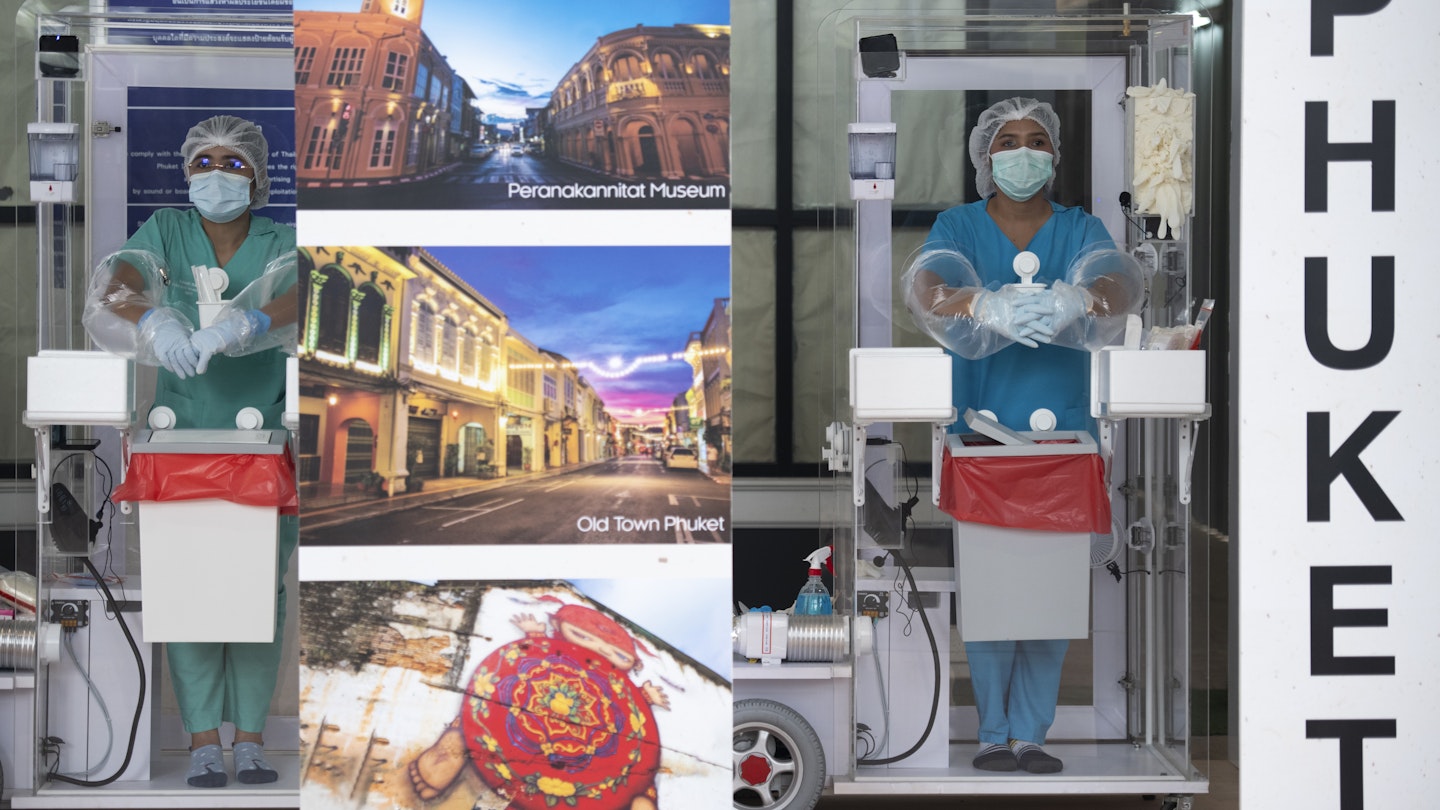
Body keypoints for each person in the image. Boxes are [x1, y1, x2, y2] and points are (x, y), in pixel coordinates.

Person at [903, 98, 1143, 774]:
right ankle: (991, 732)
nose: (1022, 152)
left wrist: (1078, 297)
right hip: (980, 428)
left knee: (1048, 588)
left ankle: (1031, 733)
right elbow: (924, 286)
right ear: (986, 157)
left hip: (1065, 431)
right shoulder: (959, 226)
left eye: (1036, 140)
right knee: (992, 588)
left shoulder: (1079, 228)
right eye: (1007, 141)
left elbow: (1121, 286)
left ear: (1055, 155)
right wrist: (982, 302)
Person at [82, 114, 298, 788]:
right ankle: (204, 742)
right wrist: (153, 316)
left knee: (262, 594)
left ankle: (254, 741)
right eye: (202, 162)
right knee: (192, 589)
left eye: (232, 163)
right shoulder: (166, 232)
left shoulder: (282, 240)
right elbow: (116, 284)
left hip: (262, 439)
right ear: (186, 172)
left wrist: (249, 319)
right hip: (179, 439)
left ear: (257, 175)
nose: (216, 174)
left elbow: (298, 294)